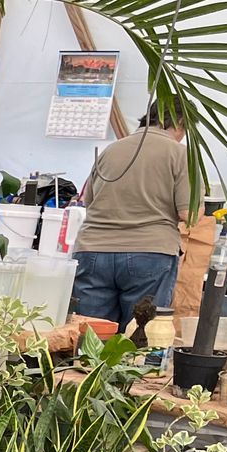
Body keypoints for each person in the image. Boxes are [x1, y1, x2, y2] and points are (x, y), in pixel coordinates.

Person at [70, 106, 192, 328]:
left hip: (93, 249)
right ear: (180, 123)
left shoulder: (111, 150)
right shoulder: (180, 154)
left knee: (90, 336)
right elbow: (188, 213)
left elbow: (89, 201)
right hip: (150, 252)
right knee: (140, 338)